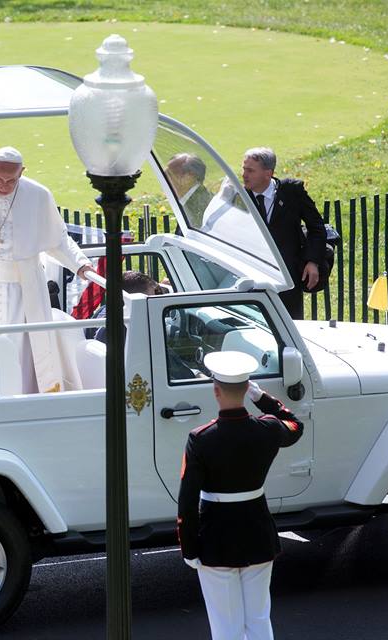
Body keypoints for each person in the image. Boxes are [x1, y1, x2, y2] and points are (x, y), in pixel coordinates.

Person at [177, 351, 305, 640]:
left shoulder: (201, 438)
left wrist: (189, 548)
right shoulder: (268, 428)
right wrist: (263, 399)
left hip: (216, 539)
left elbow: (187, 499)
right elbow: (295, 425)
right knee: (259, 620)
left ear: (215, 390)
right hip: (257, 533)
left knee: (226, 627)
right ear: (247, 388)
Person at [0, 146, 93, 393]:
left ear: (22, 172)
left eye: (11, 180)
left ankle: (22, 393)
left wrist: (80, 264)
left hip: (25, 287)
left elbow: (57, 239)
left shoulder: (38, 195)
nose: (3, 186)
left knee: (25, 344)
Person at [241, 147, 327, 320]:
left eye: (250, 170)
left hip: (287, 279)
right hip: (251, 276)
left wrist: (313, 261)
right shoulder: (238, 196)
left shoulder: (292, 192)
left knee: (290, 325)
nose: (244, 175)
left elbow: (316, 227)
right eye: (243, 169)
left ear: (268, 173)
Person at [88, 271, 159, 341]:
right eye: (150, 297)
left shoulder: (104, 311)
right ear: (136, 298)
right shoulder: (130, 327)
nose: (154, 298)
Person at [166, 153, 212, 227]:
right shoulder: (194, 199)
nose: (165, 180)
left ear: (190, 176)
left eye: (169, 174)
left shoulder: (198, 208)